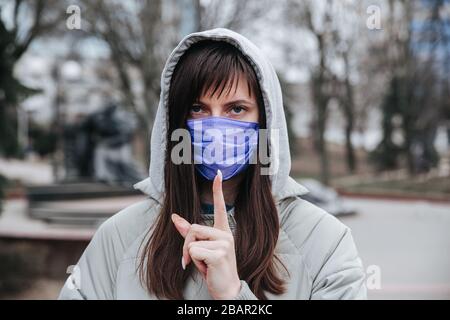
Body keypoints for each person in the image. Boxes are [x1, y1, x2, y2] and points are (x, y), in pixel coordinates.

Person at [58, 28, 367, 300]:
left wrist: (234, 297)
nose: (216, 127)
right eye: (197, 108)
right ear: (174, 122)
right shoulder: (118, 238)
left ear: (265, 121)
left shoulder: (324, 242)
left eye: (236, 109)